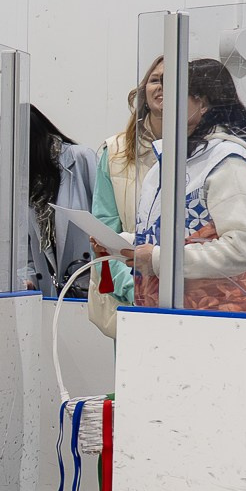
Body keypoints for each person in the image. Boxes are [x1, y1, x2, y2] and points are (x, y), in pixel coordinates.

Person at [172, 58, 246, 312]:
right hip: (178, 313)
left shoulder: (228, 162)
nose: (166, 106)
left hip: (218, 316)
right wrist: (127, 246)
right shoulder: (188, 158)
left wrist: (160, 260)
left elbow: (242, 249)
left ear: (201, 103)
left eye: (177, 96)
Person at [91, 56, 163, 305]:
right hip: (130, 301)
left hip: (189, 300)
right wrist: (135, 291)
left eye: (170, 79)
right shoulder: (114, 152)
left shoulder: (204, 153)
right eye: (155, 79)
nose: (161, 86)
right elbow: (104, 235)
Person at [27, 105, 100, 292]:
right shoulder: (22, 183)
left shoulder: (81, 158)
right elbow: (25, 246)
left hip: (89, 282)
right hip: (50, 294)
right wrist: (26, 278)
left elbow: (105, 218)